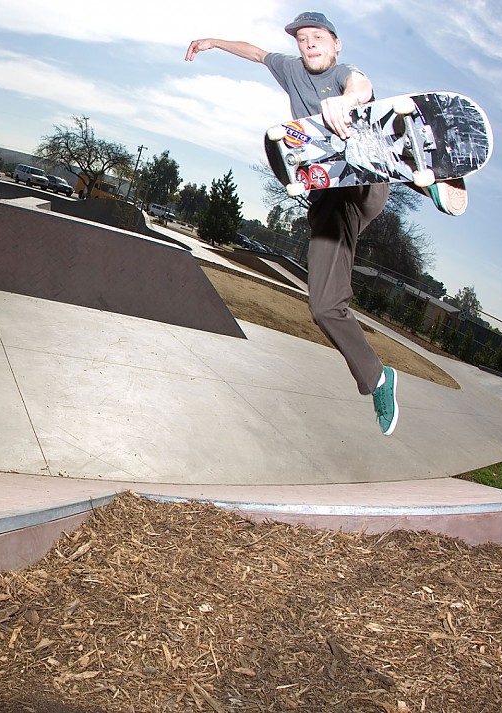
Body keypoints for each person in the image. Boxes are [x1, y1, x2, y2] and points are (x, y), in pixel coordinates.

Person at [186, 11, 398, 435]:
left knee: (366, 161)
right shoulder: (290, 68)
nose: (310, 45)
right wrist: (213, 41)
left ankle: (428, 174)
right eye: (303, 40)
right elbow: (255, 52)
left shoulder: (344, 74)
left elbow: (362, 86)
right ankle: (376, 377)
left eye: (318, 38)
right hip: (327, 202)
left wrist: (349, 102)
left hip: (363, 183)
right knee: (323, 306)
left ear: (336, 44)